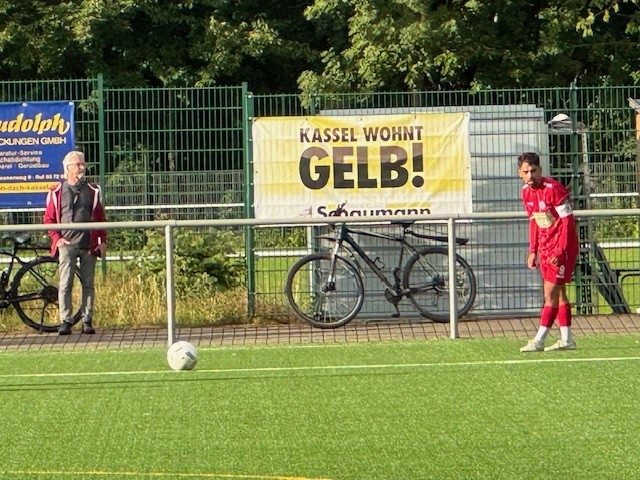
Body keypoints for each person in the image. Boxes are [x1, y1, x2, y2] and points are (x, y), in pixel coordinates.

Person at [517, 152, 579, 352]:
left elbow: (568, 222)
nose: (530, 175)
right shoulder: (526, 192)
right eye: (526, 172)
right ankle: (567, 340)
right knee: (559, 293)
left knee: (549, 293)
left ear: (540, 170)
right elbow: (534, 221)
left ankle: (539, 340)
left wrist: (560, 250)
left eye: (533, 171)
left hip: (560, 248)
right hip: (545, 248)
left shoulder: (554, 189)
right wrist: (533, 250)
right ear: (520, 173)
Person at [43, 150, 107, 335]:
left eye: (83, 164)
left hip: (88, 245)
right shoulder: (56, 192)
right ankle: (66, 320)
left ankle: (87, 320)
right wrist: (58, 240)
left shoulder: (93, 191)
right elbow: (49, 219)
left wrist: (102, 241)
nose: (81, 168)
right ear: (67, 168)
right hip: (67, 244)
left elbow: (100, 218)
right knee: (65, 283)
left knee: (88, 284)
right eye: (78, 164)